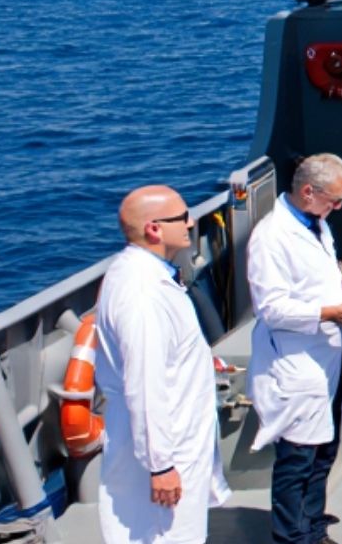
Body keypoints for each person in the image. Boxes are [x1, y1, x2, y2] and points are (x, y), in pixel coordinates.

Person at [93, 186, 231, 543]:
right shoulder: (143, 295)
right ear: (154, 229)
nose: (191, 222)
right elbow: (144, 382)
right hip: (167, 444)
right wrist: (161, 466)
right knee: (165, 533)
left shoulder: (143, 276)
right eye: (182, 217)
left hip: (172, 436)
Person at [247, 154, 342, 544]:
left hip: (327, 358)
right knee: (297, 459)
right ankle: (291, 537)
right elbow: (272, 308)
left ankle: (314, 529)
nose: (340, 207)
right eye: (335, 200)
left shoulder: (315, 222)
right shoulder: (271, 238)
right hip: (296, 362)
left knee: (324, 451)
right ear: (307, 191)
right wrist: (330, 311)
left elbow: (309, 278)